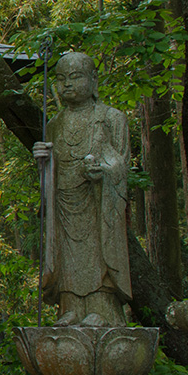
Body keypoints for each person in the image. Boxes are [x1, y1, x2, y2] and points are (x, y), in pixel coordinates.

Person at [34, 52, 131, 326]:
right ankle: (71, 307)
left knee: (97, 251)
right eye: (61, 79)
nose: (67, 85)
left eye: (75, 77)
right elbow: (48, 176)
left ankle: (101, 309)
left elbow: (122, 164)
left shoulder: (112, 118)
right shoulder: (54, 125)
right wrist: (43, 163)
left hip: (97, 202)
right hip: (64, 202)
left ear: (93, 79)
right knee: (65, 254)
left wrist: (105, 172)